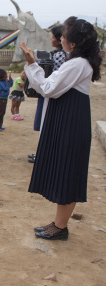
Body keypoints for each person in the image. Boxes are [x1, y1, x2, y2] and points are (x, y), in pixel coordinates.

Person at [20, 16, 100, 241]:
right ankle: (58, 223)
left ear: (72, 43)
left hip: (70, 123)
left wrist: (32, 64)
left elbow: (48, 88)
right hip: (70, 121)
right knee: (65, 172)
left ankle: (60, 227)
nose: (60, 38)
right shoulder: (78, 62)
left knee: (68, 174)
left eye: (63, 35)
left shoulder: (77, 64)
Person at [28, 25, 67, 163]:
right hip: (51, 93)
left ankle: (43, 155)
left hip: (49, 93)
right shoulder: (60, 55)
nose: (51, 39)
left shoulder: (60, 56)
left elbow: (49, 76)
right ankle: (42, 153)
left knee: (46, 125)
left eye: (53, 37)